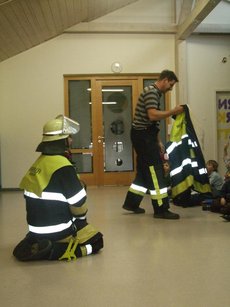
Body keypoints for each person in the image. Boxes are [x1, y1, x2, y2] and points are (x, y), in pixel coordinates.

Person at [13, 115, 103, 261]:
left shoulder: (39, 163)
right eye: (69, 137)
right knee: (97, 241)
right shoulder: (63, 166)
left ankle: (32, 243)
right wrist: (81, 221)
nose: (72, 140)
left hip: (35, 230)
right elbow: (79, 206)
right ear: (62, 140)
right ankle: (53, 251)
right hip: (58, 232)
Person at [122, 69, 184, 219]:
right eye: (171, 85)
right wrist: (173, 111)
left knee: (145, 171)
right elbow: (152, 115)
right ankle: (161, 209)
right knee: (155, 170)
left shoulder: (155, 93)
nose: (171, 89)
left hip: (144, 134)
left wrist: (158, 141)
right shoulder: (151, 92)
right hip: (143, 136)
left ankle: (131, 203)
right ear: (165, 80)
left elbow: (152, 122)